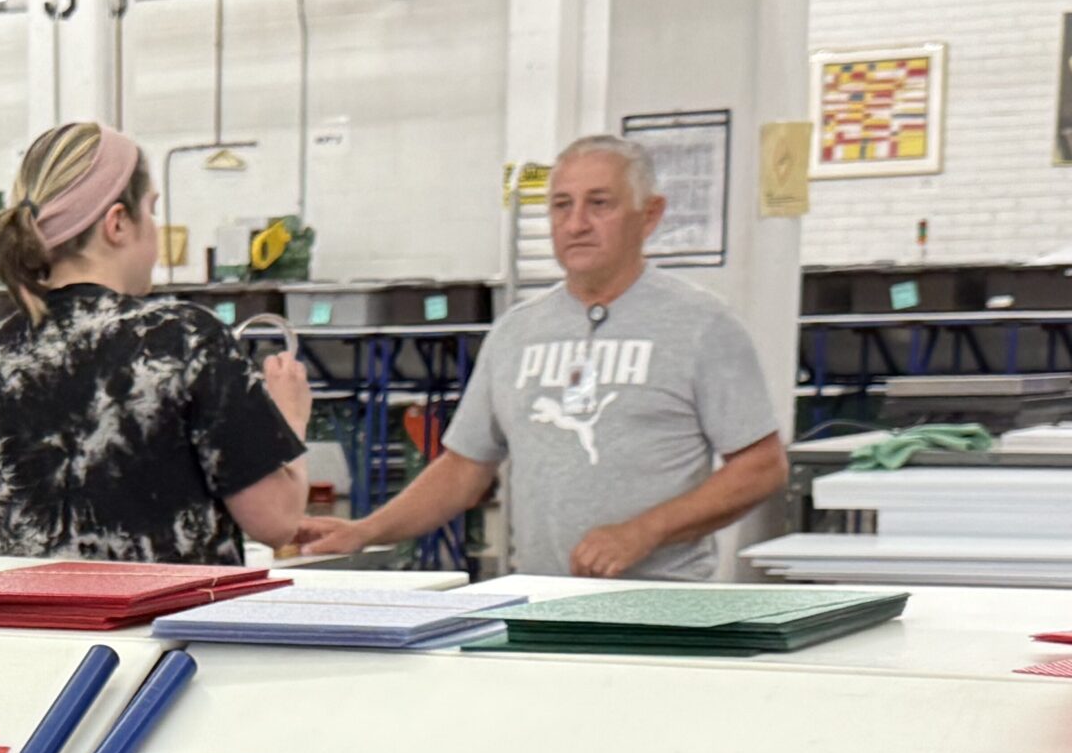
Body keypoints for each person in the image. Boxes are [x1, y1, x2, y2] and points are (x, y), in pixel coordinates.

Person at [303, 134, 788, 578]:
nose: (576, 224)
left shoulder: (703, 325)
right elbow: (463, 469)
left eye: (600, 204)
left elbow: (761, 466)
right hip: (544, 603)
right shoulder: (516, 331)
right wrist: (366, 530)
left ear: (650, 215)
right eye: (561, 205)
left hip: (661, 609)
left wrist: (646, 530)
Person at [0, 121, 325, 564]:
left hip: (45, 628)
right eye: (150, 209)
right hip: (167, 628)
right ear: (117, 223)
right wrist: (291, 416)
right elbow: (278, 522)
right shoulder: (182, 337)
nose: (154, 228)